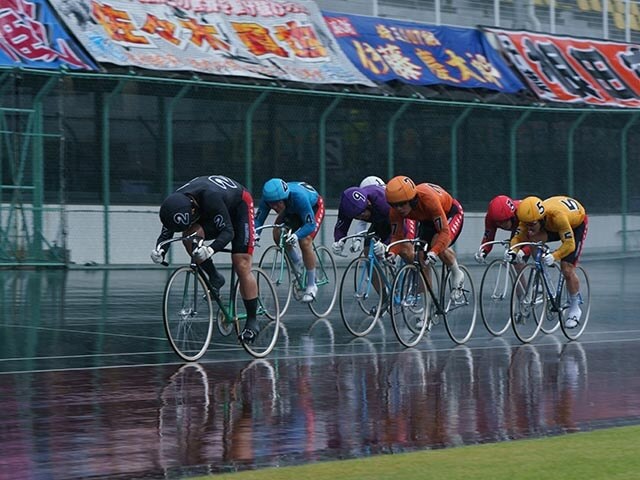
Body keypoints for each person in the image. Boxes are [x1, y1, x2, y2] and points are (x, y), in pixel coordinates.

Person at [150, 175, 260, 343]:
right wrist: (160, 250)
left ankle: (252, 320)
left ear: (193, 209)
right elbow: (166, 234)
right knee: (189, 236)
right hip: (211, 211)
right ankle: (215, 277)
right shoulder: (175, 205)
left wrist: (210, 249)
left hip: (239, 207)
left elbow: (228, 232)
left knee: (242, 264)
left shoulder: (210, 197)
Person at [508, 195, 588, 328]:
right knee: (532, 237)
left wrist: (555, 256)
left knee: (566, 268)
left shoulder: (558, 217)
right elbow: (518, 237)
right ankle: (542, 276)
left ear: (541, 218)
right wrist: (512, 251)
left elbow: (570, 244)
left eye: (532, 224)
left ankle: (575, 308)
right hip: (551, 226)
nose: (529, 227)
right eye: (526, 224)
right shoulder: (528, 218)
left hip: (575, 224)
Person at [385, 175, 465, 292]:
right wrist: (392, 253)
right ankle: (428, 302)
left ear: (412, 200)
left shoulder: (428, 199)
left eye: (402, 204)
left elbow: (444, 231)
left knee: (437, 244)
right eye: (394, 205)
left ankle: (457, 272)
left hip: (449, 213)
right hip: (427, 219)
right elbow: (397, 236)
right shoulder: (395, 211)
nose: (399, 209)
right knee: (420, 256)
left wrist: (434, 251)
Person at [255, 178, 325, 303]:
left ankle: (311, 284)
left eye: (277, 203)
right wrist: (255, 234)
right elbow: (259, 220)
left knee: (305, 241)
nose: (274, 207)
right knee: (277, 232)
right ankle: (297, 261)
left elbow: (310, 225)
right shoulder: (269, 200)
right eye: (271, 204)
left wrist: (297, 235)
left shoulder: (299, 197)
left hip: (312, 207)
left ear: (284, 198)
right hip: (290, 210)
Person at [332, 183, 414, 263]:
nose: (361, 217)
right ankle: (375, 277)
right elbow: (341, 226)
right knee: (368, 251)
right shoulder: (346, 208)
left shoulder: (381, 201)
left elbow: (401, 229)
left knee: (405, 249)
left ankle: (420, 268)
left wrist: (386, 245)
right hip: (380, 221)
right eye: (357, 217)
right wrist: (339, 241)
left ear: (368, 203)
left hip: (400, 219)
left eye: (362, 213)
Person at [475, 195, 521, 263]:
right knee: (511, 257)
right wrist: (483, 252)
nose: (502, 225)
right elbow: (488, 238)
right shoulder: (490, 219)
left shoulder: (520, 213)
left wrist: (523, 252)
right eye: (499, 222)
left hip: (530, 224)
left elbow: (530, 238)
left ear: (512, 216)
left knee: (520, 254)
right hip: (517, 227)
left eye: (505, 221)